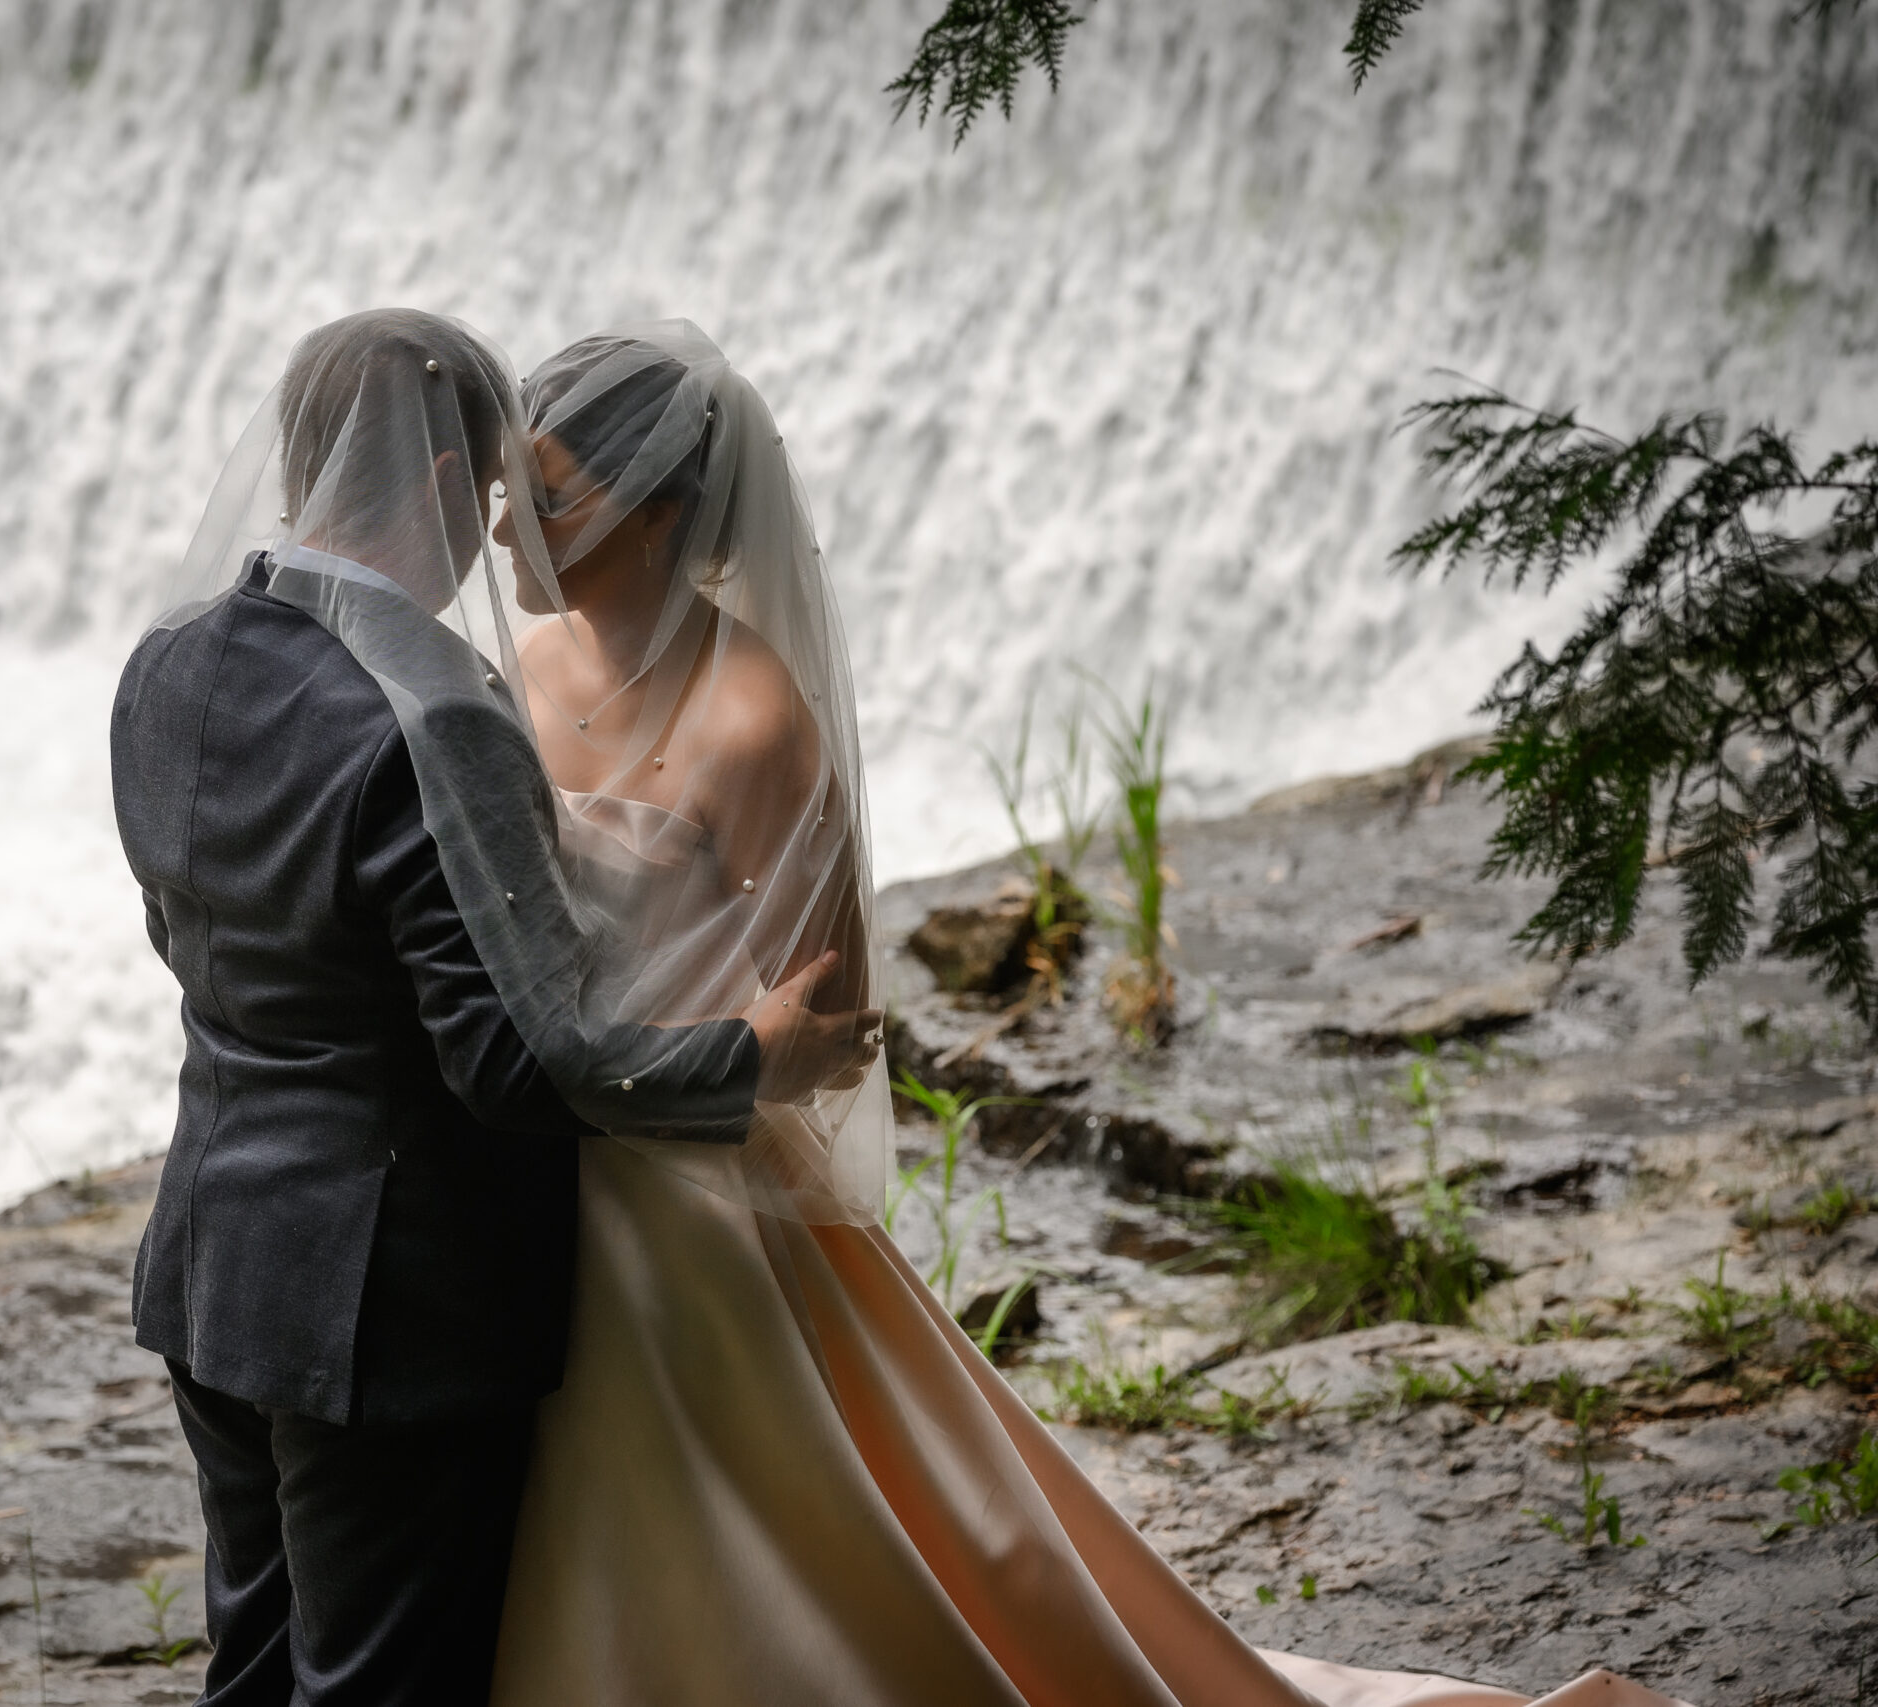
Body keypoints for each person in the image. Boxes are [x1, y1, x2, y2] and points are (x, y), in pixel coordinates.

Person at [477, 321, 1691, 1707]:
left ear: (657, 507)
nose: (511, 515)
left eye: (552, 488)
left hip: (685, 1196)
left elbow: (835, 1007)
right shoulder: (517, 665)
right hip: (539, 1134)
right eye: (518, 478)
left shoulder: (754, 718)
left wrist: (704, 1071)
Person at [109, 308, 877, 1707]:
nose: (509, 530)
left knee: (254, 1667)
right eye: (500, 490)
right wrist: (746, 1057)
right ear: (456, 487)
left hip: (214, 1263)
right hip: (386, 1305)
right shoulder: (436, 713)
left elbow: (185, 930)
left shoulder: (168, 660)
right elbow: (513, 1062)